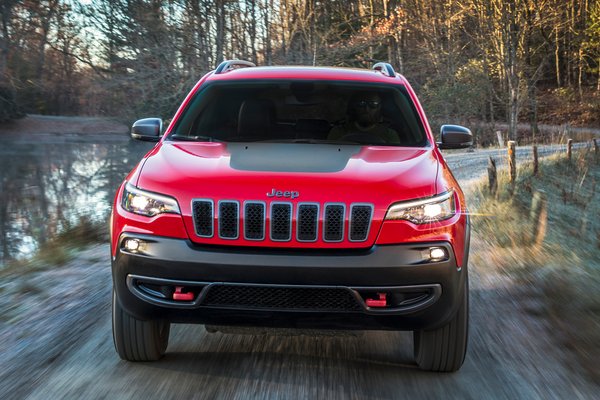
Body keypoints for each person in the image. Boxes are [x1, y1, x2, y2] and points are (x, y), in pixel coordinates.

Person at [328, 92, 400, 144]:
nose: (366, 109)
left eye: (373, 104)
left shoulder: (389, 135)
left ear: (380, 108)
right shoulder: (339, 132)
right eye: (361, 104)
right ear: (354, 107)